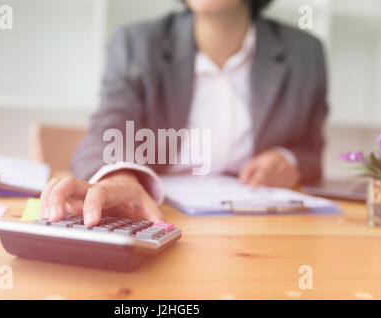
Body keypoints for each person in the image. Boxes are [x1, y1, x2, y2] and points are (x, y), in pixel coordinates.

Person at [40, 0, 328, 225]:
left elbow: (311, 151)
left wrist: (288, 159)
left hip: (263, 225)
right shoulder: (137, 44)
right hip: (159, 216)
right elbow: (106, 133)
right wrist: (121, 178)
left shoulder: (305, 53)